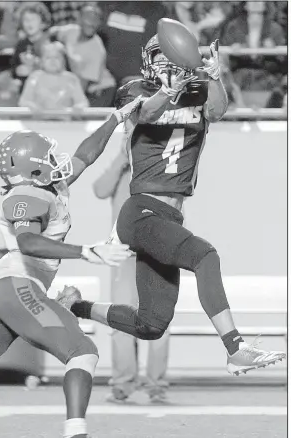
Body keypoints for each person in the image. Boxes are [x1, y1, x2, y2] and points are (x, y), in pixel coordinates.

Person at [60, 33, 286, 377]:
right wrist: (168, 91)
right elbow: (148, 114)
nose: (168, 65)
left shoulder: (199, 89)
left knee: (151, 324)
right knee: (204, 255)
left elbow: (217, 110)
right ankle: (236, 347)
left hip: (169, 215)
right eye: (161, 60)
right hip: (140, 211)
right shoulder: (135, 91)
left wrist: (214, 75)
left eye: (172, 59)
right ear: (149, 64)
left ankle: (74, 306)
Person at [0, 96, 141, 438]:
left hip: (7, 290)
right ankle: (76, 431)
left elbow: (86, 156)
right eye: (46, 158)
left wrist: (116, 117)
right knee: (83, 352)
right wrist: (87, 252)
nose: (55, 161)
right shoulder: (25, 196)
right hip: (18, 287)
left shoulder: (49, 186)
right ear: (29, 168)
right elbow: (28, 242)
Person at [93, 142, 170, 403]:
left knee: (159, 322)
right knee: (122, 321)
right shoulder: (122, 169)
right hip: (124, 253)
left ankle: (155, 387)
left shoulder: (164, 164)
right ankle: (123, 386)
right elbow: (100, 190)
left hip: (157, 252)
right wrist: (120, 158)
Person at [50, 4, 116, 107]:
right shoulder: (71, 31)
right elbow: (50, 32)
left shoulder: (97, 50)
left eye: (96, 19)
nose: (92, 22)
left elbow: (82, 87)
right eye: (88, 17)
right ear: (79, 19)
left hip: (99, 91)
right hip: (77, 83)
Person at [19, 41, 89, 112]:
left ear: (63, 60)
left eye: (56, 57)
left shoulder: (71, 79)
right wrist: (30, 106)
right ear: (42, 61)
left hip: (65, 121)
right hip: (39, 121)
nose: (53, 61)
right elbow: (24, 101)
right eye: (48, 58)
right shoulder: (34, 77)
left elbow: (83, 103)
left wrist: (78, 107)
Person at [11, 2, 51, 94]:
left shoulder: (49, 43)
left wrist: (33, 70)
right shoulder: (21, 44)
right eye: (26, 20)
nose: (29, 23)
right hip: (26, 92)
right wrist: (17, 71)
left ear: (42, 22)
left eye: (33, 19)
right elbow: (13, 67)